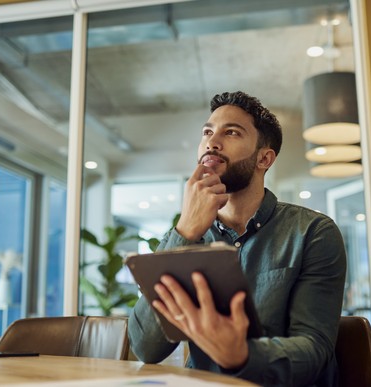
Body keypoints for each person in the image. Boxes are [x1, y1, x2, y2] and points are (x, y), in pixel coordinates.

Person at [128, 91, 346, 386]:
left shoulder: (313, 232)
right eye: (207, 131)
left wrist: (241, 355)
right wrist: (185, 233)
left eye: (231, 132)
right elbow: (146, 348)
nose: (212, 142)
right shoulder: (182, 235)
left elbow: (314, 349)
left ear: (264, 158)